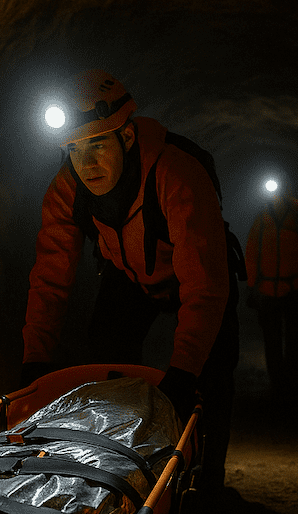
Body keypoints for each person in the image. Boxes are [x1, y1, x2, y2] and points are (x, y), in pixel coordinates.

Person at [21, 69, 241, 492]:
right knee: (107, 358)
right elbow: (50, 276)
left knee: (212, 375)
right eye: (74, 149)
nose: (86, 164)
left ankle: (208, 482)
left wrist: (182, 372)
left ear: (126, 137)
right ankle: (113, 472)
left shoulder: (176, 173)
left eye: (98, 144)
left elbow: (206, 285)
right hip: (130, 276)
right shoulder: (67, 189)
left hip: (196, 277)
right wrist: (34, 363)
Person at [244, 189, 298, 397]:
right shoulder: (278, 218)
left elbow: (252, 254)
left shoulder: (271, 219)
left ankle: (285, 383)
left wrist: (251, 287)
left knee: (283, 340)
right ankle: (286, 384)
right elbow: (252, 254)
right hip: (284, 290)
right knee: (286, 340)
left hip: (283, 290)